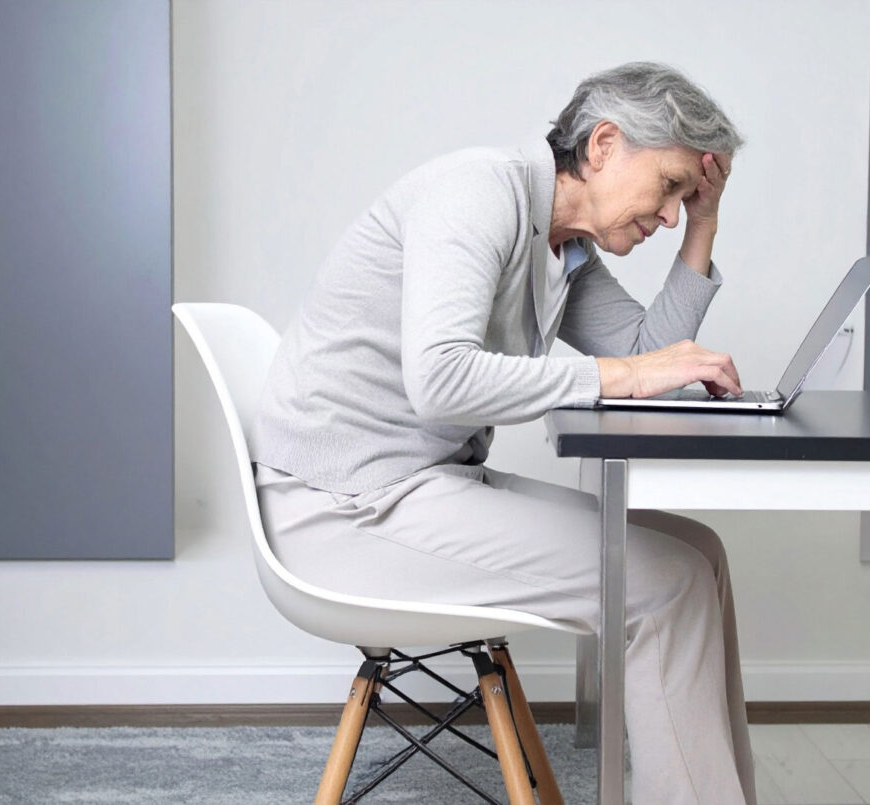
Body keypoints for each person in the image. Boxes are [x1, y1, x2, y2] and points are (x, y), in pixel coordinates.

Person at [251, 61, 755, 804]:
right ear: (605, 144)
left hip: (414, 489)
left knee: (699, 554)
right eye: (673, 186)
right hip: (344, 509)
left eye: (688, 197)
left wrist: (708, 224)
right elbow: (441, 377)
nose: (673, 213)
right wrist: (619, 377)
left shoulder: (564, 247)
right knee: (668, 585)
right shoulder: (477, 194)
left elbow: (653, 355)